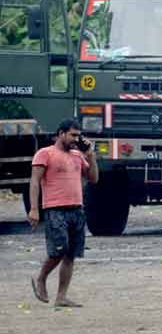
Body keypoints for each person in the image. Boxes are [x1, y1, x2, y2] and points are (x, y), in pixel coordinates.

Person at [28, 118, 99, 307]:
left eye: (78, 135)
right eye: (73, 135)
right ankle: (41, 278)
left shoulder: (78, 155)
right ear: (61, 134)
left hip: (76, 208)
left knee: (71, 255)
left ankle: (61, 297)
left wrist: (90, 156)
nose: (76, 139)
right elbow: (35, 181)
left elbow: (93, 179)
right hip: (54, 209)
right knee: (58, 250)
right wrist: (34, 209)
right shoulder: (45, 154)